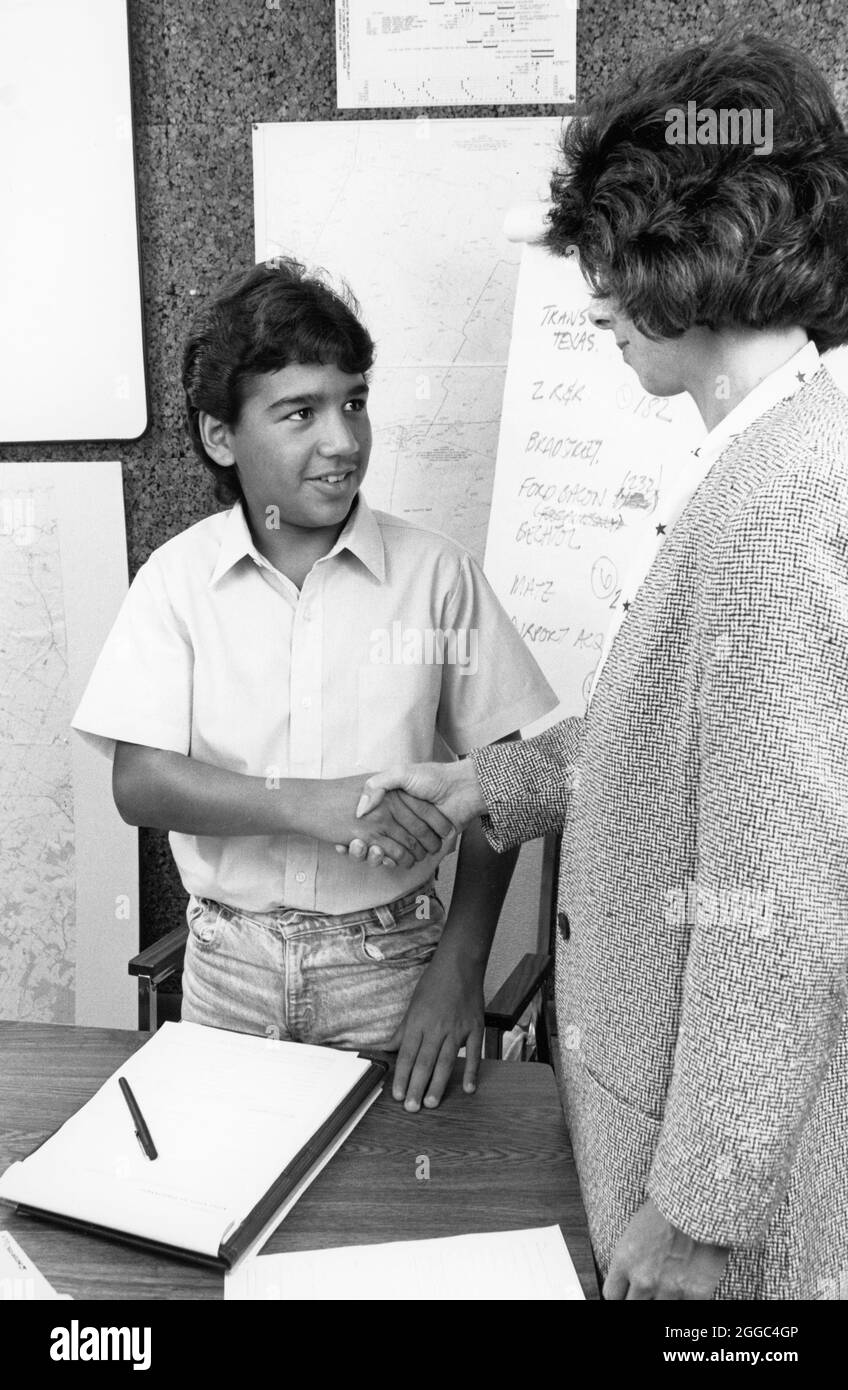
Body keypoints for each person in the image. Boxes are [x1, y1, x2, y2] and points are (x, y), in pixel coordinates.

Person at [350, 34, 848, 1298]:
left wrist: (696, 1212)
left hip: (732, 1211)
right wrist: (490, 786)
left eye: (607, 257)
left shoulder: (778, 510)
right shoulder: (781, 449)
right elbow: (676, 733)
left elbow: (782, 908)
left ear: (698, 247)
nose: (589, 297)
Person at [71, 258, 556, 1110]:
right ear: (223, 436)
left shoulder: (437, 576)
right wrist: (314, 802)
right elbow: (140, 782)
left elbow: (506, 789)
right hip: (227, 969)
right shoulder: (175, 581)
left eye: (355, 402)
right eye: (301, 412)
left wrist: (462, 965)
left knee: (387, 1211)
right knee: (226, 1203)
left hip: (394, 969)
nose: (343, 441)